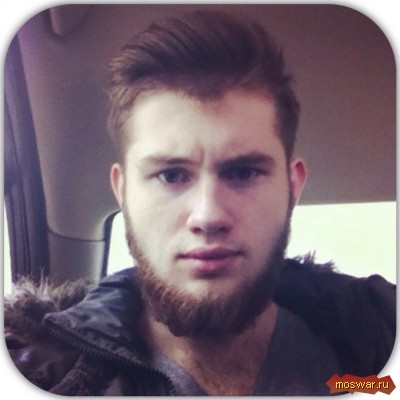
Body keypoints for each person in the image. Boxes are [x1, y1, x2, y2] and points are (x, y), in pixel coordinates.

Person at [5, 10, 395, 396]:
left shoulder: (375, 356)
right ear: (122, 191)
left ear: (293, 187)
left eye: (243, 172)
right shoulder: (36, 378)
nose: (208, 215)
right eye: (171, 175)